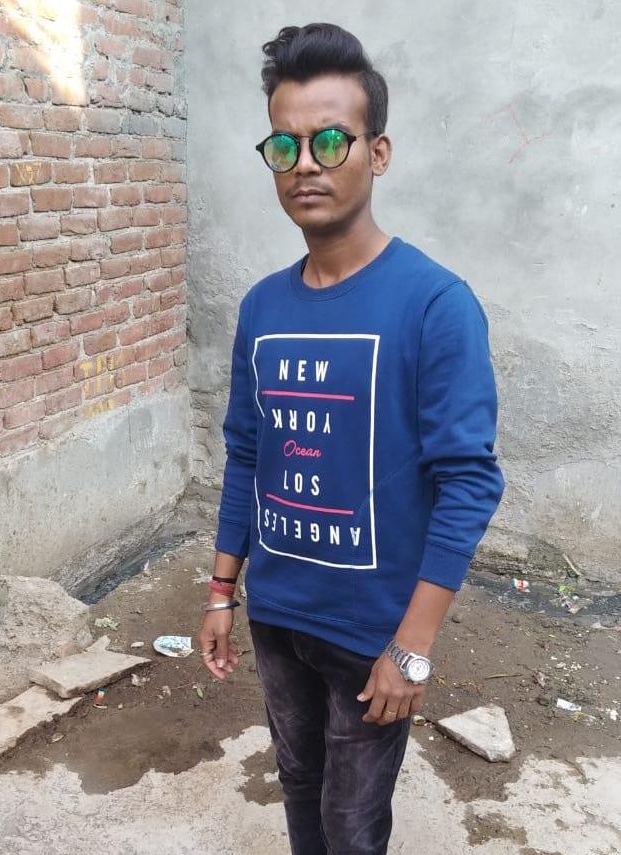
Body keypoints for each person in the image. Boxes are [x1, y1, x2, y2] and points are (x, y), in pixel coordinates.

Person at [197, 22, 505, 855]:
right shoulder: (262, 307)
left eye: (331, 140)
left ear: (378, 152)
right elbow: (247, 452)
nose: (306, 163)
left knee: (353, 823)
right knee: (299, 785)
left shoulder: (435, 304)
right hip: (278, 614)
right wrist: (223, 591)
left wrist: (413, 647)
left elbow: (469, 481)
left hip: (374, 632)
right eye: (285, 145)